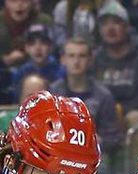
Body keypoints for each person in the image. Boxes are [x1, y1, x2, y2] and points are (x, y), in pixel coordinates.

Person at [93, 0, 138, 162]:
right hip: (100, 115)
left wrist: (119, 113)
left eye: (116, 23)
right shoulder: (94, 59)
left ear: (126, 27)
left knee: (137, 118)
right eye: (105, 24)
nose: (110, 28)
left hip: (132, 117)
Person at [51, 36, 121, 167]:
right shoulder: (53, 93)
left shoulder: (103, 96)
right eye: (71, 56)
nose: (76, 61)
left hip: (93, 158)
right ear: (63, 60)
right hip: (59, 156)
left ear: (90, 60)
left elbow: (114, 139)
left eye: (81, 56)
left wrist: (98, 141)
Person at [0, 0, 52, 68]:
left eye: (24, 1)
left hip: (36, 67)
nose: (19, 5)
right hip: (1, 68)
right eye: (14, 1)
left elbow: (52, 49)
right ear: (6, 2)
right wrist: (3, 60)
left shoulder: (44, 21)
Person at [12, 23, 64, 88]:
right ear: (26, 48)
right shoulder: (20, 73)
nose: (38, 48)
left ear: (50, 47)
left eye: (43, 43)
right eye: (32, 43)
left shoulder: (61, 72)